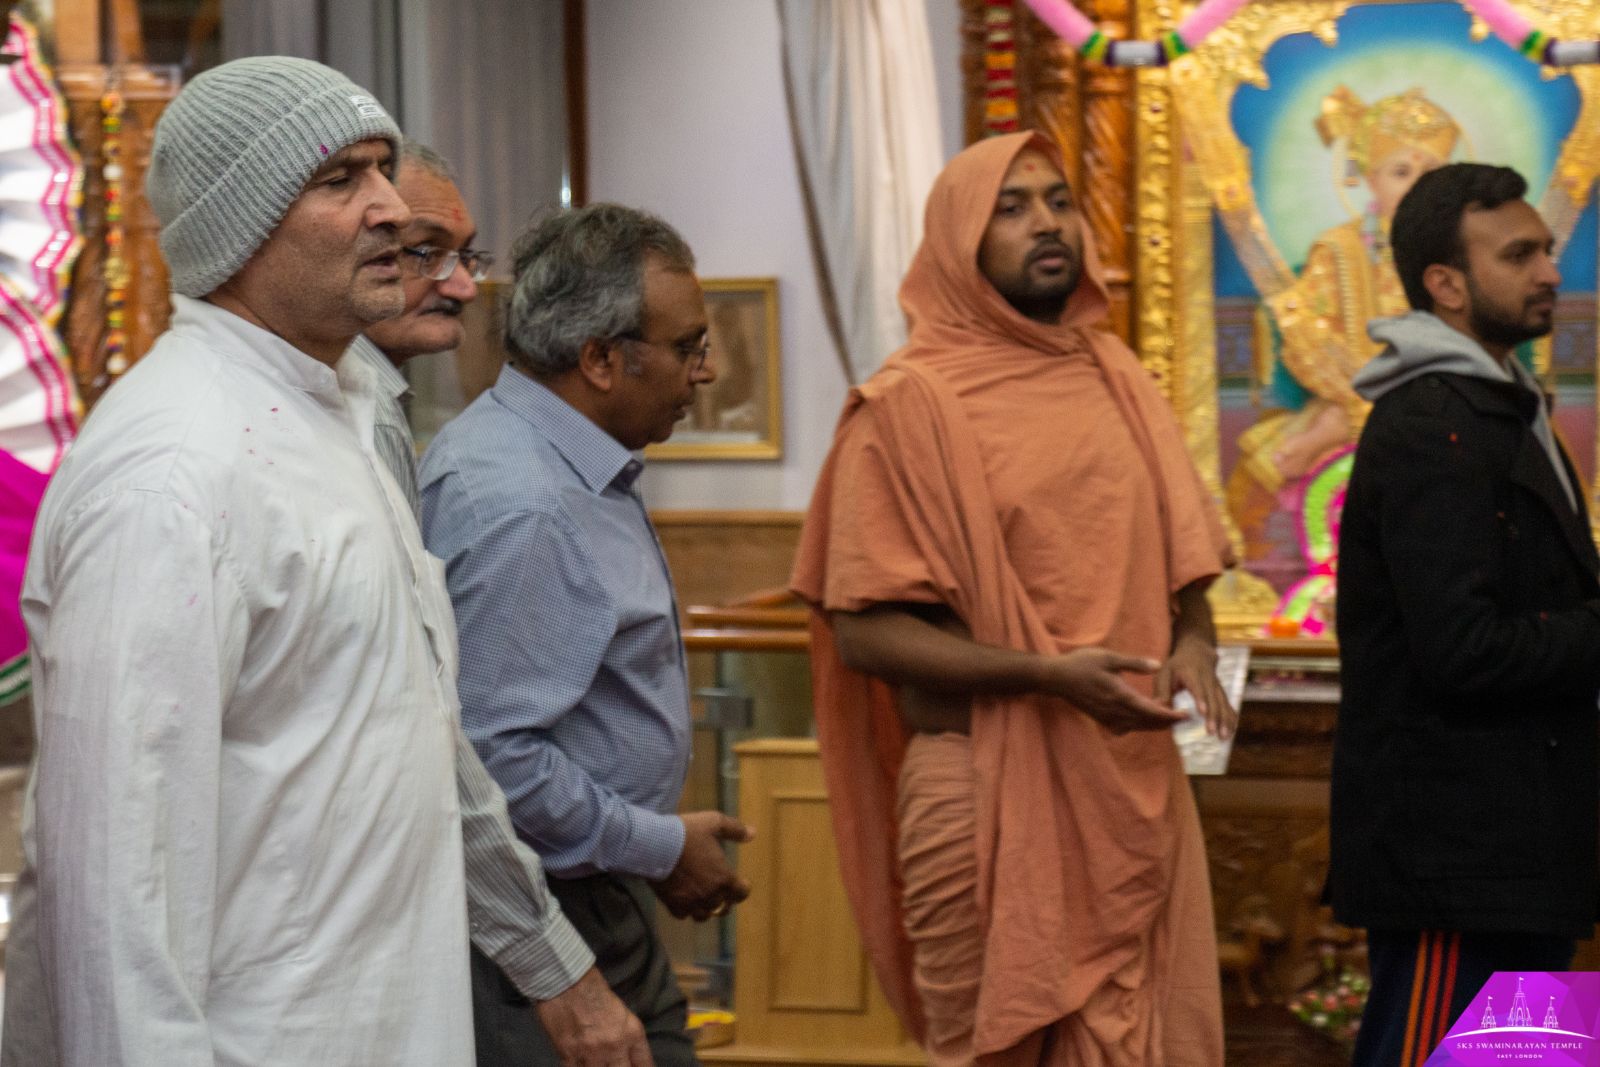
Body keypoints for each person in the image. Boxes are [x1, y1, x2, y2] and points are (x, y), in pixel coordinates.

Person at [1, 56, 484, 1066]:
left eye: (383, 169)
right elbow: (114, 902)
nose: (392, 207)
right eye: (340, 178)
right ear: (240, 224)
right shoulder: (174, 467)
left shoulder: (343, 412)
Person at [790, 131, 1235, 1067]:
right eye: (1014, 205)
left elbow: (1183, 564)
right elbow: (866, 631)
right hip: (980, 783)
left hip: (1132, 788)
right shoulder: (906, 406)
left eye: (1059, 200)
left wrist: (1195, 635)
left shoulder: (1118, 378)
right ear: (959, 238)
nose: (1048, 223)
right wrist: (1045, 675)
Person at [419, 203, 754, 1067]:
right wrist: (658, 842)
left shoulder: (560, 459)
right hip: (543, 908)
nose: (705, 372)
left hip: (595, 881)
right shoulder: (528, 501)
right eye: (686, 347)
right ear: (602, 358)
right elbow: (492, 756)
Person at [351, 140, 653, 1067]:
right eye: (425, 250)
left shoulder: (373, 419)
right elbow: (476, 742)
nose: (461, 286)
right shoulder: (504, 486)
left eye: (466, 257)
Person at [1332, 162, 1600, 1066]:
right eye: (1518, 254)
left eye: (1547, 250)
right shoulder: (1431, 422)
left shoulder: (1500, 407)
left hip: (1523, 854)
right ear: (1445, 285)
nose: (1549, 272)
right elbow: (1464, 650)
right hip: (1457, 862)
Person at [1230, 87, 1459, 594]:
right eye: (1402, 172)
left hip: (1443, 410)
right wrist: (1350, 410)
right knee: (1263, 474)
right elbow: (1308, 339)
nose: (1418, 187)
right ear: (1367, 178)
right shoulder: (1336, 252)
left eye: (1431, 174)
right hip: (1339, 397)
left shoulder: (1462, 256)